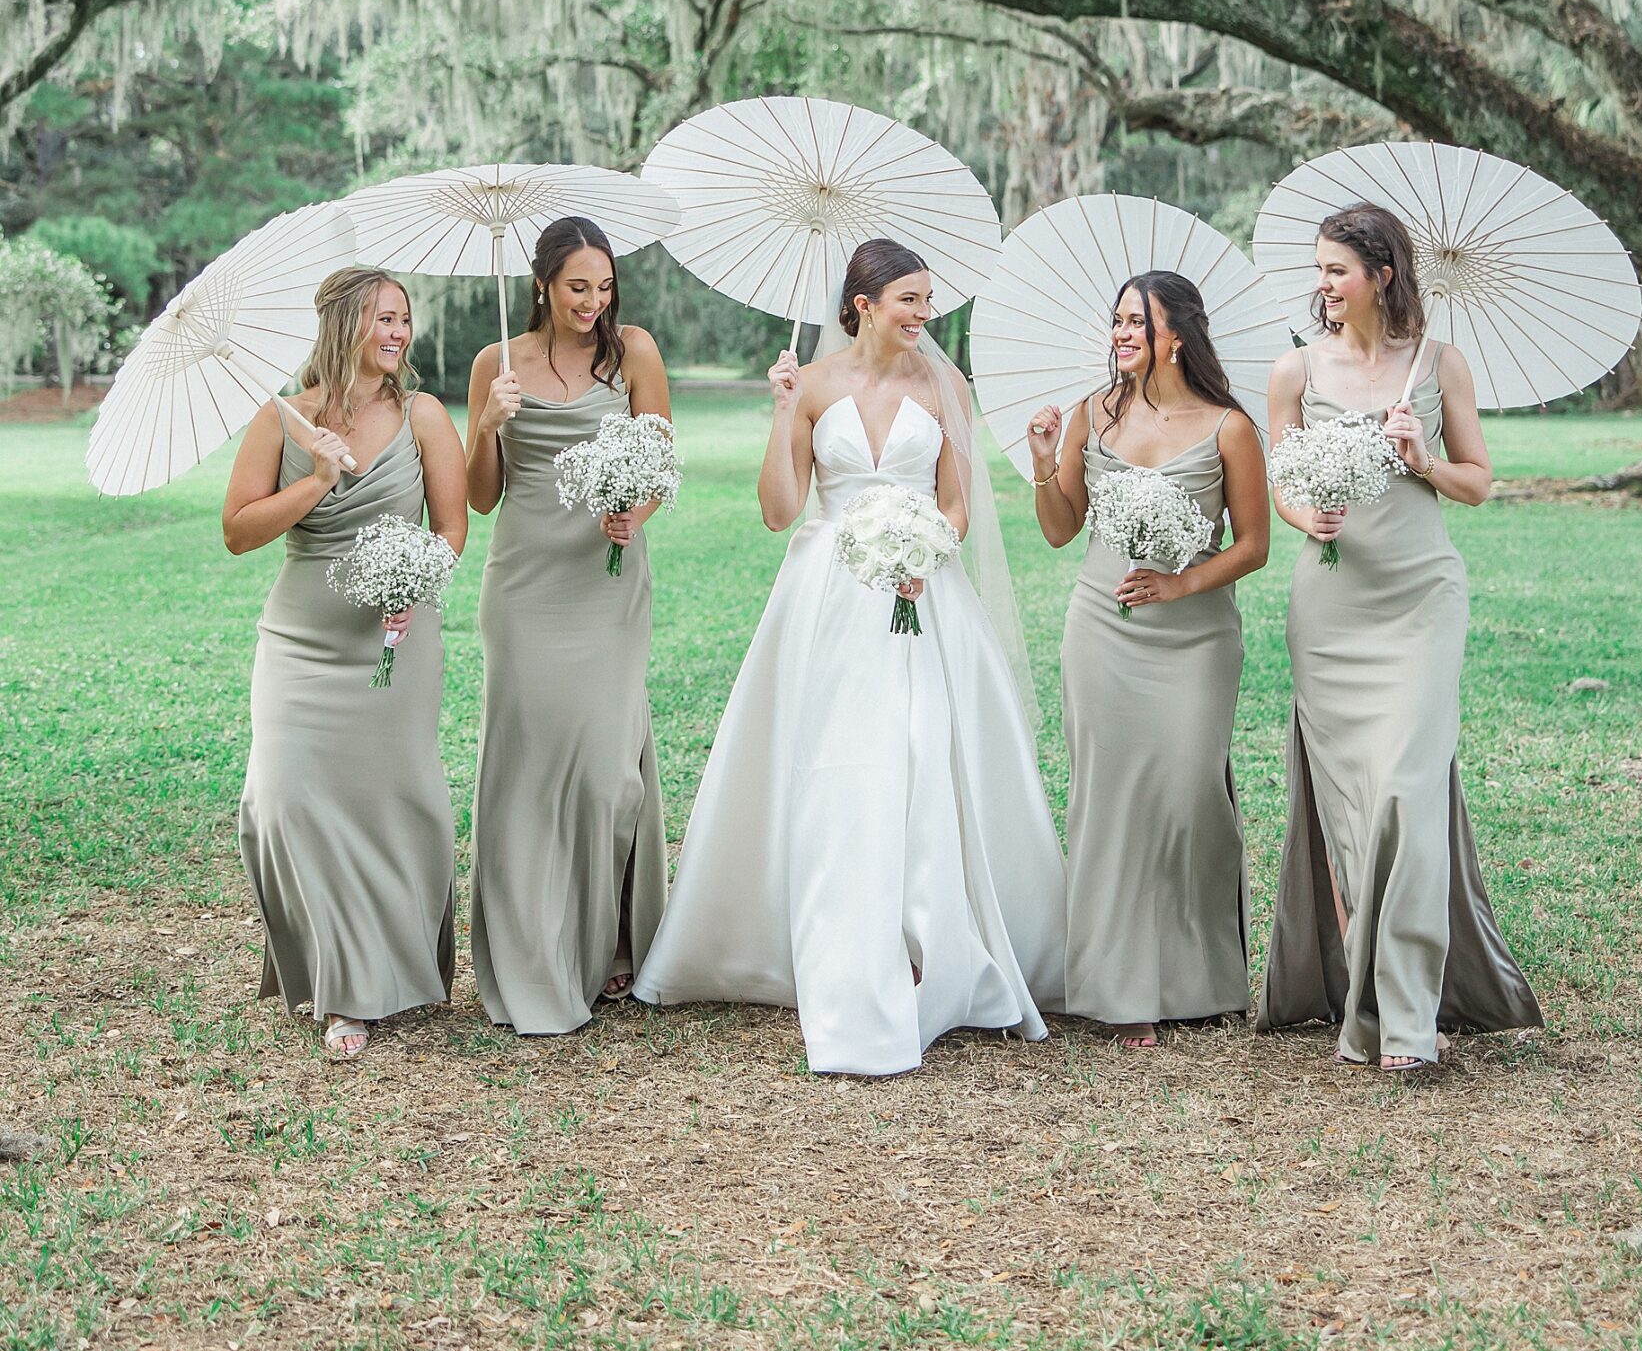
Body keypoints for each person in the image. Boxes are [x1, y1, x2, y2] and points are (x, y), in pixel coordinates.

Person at [634, 238, 1065, 1076]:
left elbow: (956, 502)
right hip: (825, 596)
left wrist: (925, 554)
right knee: (835, 763)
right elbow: (778, 510)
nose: (922, 314)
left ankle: (925, 937)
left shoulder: (946, 386)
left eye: (927, 300)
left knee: (919, 753)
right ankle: (831, 941)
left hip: (918, 591)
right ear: (862, 305)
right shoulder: (813, 385)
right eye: (907, 298)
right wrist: (779, 413)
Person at [1258, 202, 1542, 1072]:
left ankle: (1409, 1017)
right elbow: (1280, 485)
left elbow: (1479, 484)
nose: (1323, 285)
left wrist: (1421, 460)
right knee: (1353, 809)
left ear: (1382, 274)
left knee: (1405, 797)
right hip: (1333, 605)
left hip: (1420, 599)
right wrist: (1313, 515)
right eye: (1318, 270)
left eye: (1336, 269)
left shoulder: (1438, 364)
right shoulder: (1292, 371)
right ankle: (1364, 993)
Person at [225, 268, 467, 1062]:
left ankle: (363, 988)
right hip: (300, 640)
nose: (398, 333)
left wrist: (414, 582)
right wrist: (321, 479)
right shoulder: (282, 419)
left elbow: (453, 528)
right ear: (342, 327)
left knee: (392, 801)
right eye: (382, 319)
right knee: (285, 798)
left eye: (404, 318)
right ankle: (333, 973)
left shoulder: (423, 415)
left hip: (393, 639)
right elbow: (238, 530)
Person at [1029, 270, 1268, 1047]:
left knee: (1187, 797)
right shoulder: (1089, 415)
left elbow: (1255, 547)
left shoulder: (1229, 426)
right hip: (1100, 626)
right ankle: (1116, 985)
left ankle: (1200, 976)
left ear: (1178, 335)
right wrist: (1041, 462)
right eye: (1118, 320)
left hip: (1195, 638)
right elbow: (1061, 529)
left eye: (1138, 321)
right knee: (1110, 800)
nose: (1122, 334)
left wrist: (1180, 582)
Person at [465, 216, 670, 1033]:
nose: (593, 302)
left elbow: (660, 463)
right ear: (543, 284)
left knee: (605, 770)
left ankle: (616, 938)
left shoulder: (636, 354)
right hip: (523, 584)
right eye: (578, 287)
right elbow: (482, 497)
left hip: (606, 581)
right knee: (526, 767)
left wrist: (635, 511)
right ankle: (530, 955)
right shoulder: (495, 361)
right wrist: (486, 422)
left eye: (605, 286)